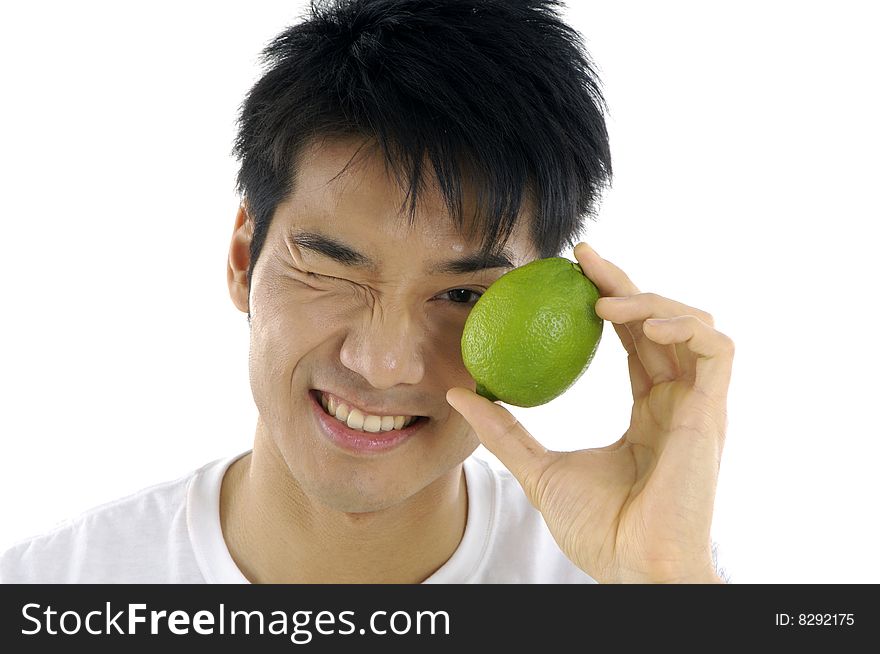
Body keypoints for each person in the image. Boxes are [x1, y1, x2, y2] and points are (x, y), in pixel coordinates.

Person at [1, 0, 733, 584]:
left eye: (465, 297)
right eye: (331, 272)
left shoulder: (623, 583)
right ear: (240, 257)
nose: (383, 364)